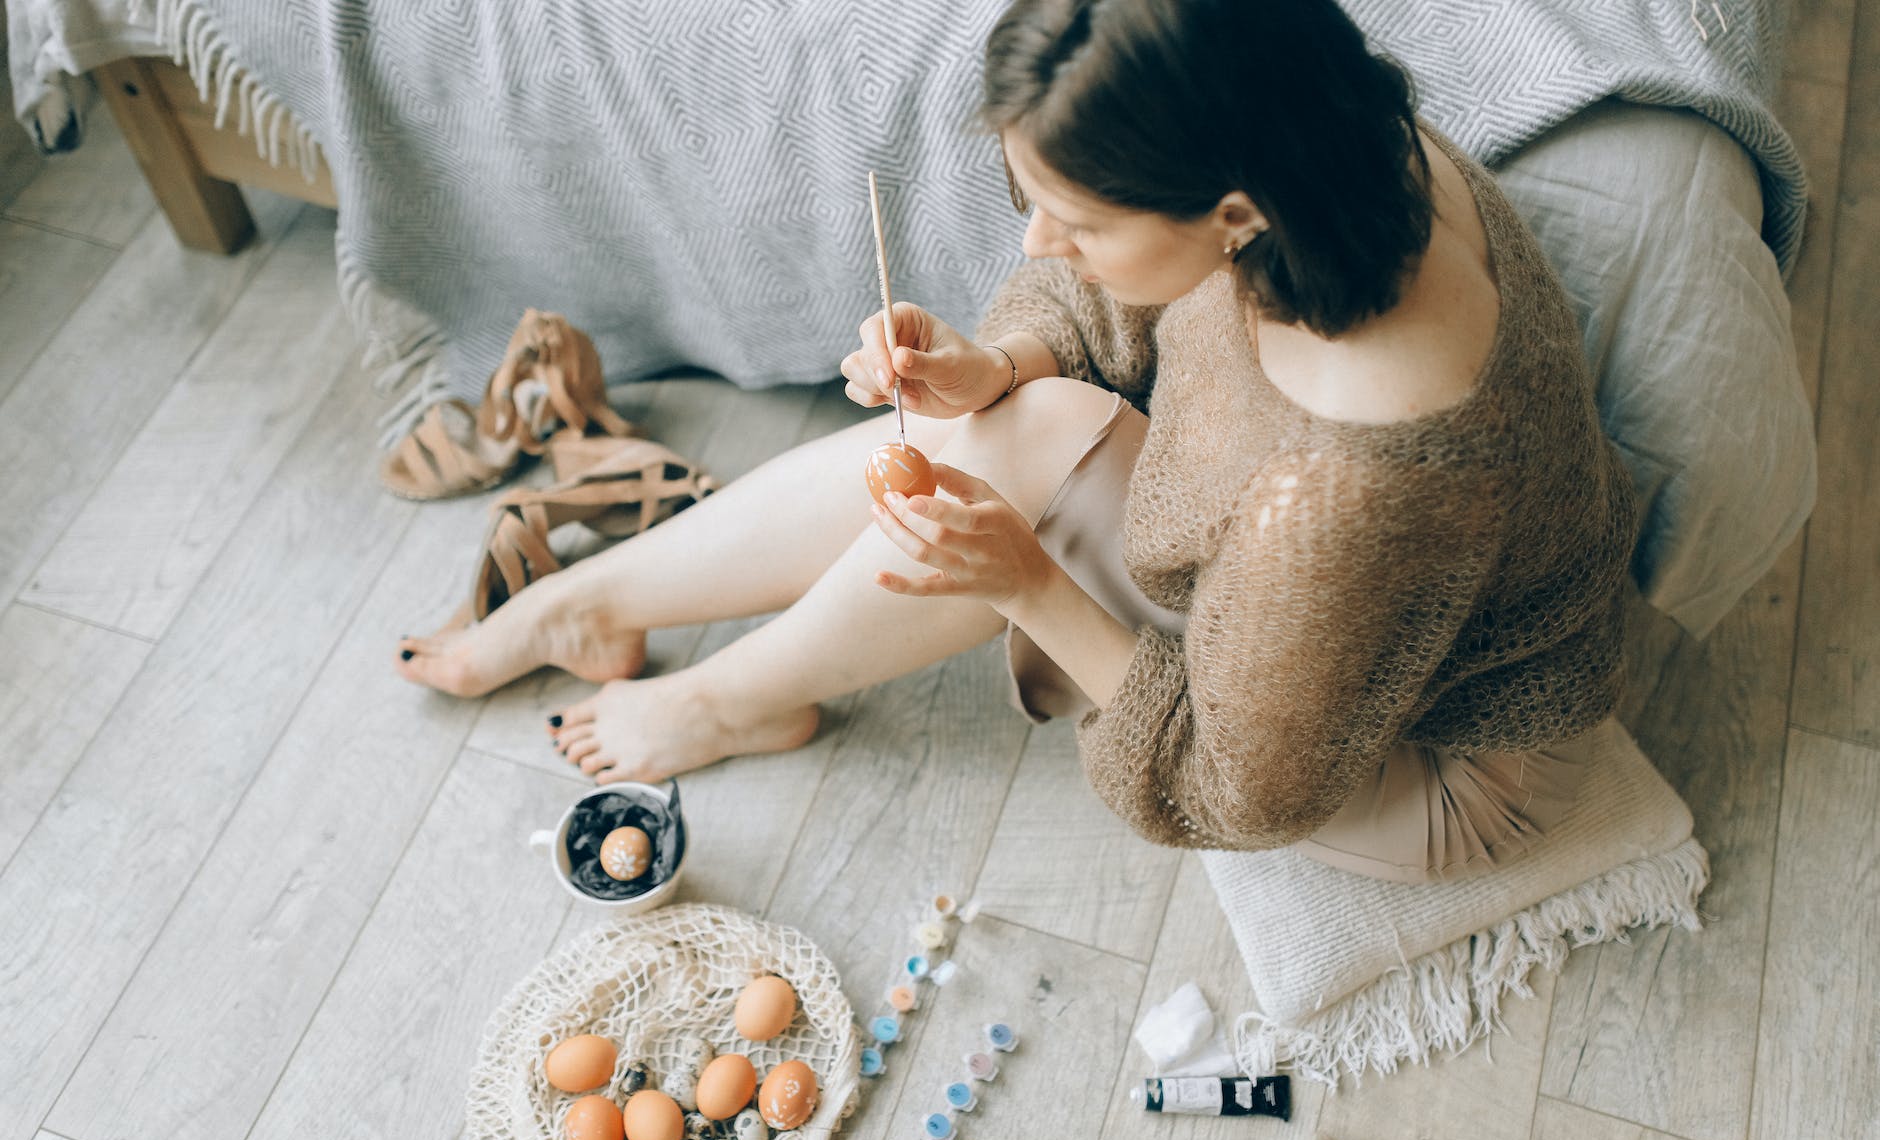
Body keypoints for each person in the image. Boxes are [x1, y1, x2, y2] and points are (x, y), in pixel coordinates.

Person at [396, 0, 1636, 884]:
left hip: (1431, 758)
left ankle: (719, 699)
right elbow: (1139, 300)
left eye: (1075, 221)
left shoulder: (1344, 489)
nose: (1037, 247)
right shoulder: (1340, 151)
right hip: (1327, 613)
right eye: (1024, 200)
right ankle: (597, 602)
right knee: (1013, 418)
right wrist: (999, 364)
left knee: (1008, 467)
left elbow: (1236, 785)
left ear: (1236, 210)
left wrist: (1028, 584)